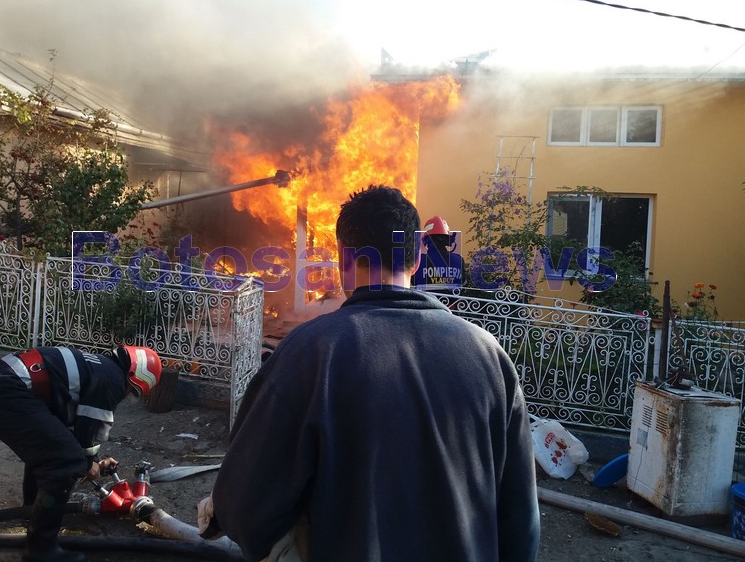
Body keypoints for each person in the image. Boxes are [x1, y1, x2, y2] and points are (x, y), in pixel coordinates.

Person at [198, 185, 539, 561]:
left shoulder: (309, 354)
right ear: (418, 256)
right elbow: (521, 521)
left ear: (343, 257)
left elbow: (243, 508)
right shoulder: (490, 357)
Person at [0, 344, 162, 562]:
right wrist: (87, 463)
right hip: (5, 391)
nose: (127, 395)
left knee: (51, 451)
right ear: (136, 377)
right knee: (65, 462)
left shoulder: (99, 366)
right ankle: (41, 550)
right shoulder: (113, 380)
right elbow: (90, 429)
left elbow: (70, 430)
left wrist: (93, 460)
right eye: (132, 391)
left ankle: (33, 511)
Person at [410, 215, 466, 292]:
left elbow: (413, 282)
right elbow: (463, 286)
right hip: (453, 300)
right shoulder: (459, 261)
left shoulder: (419, 261)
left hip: (425, 300)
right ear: (447, 239)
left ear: (426, 240)